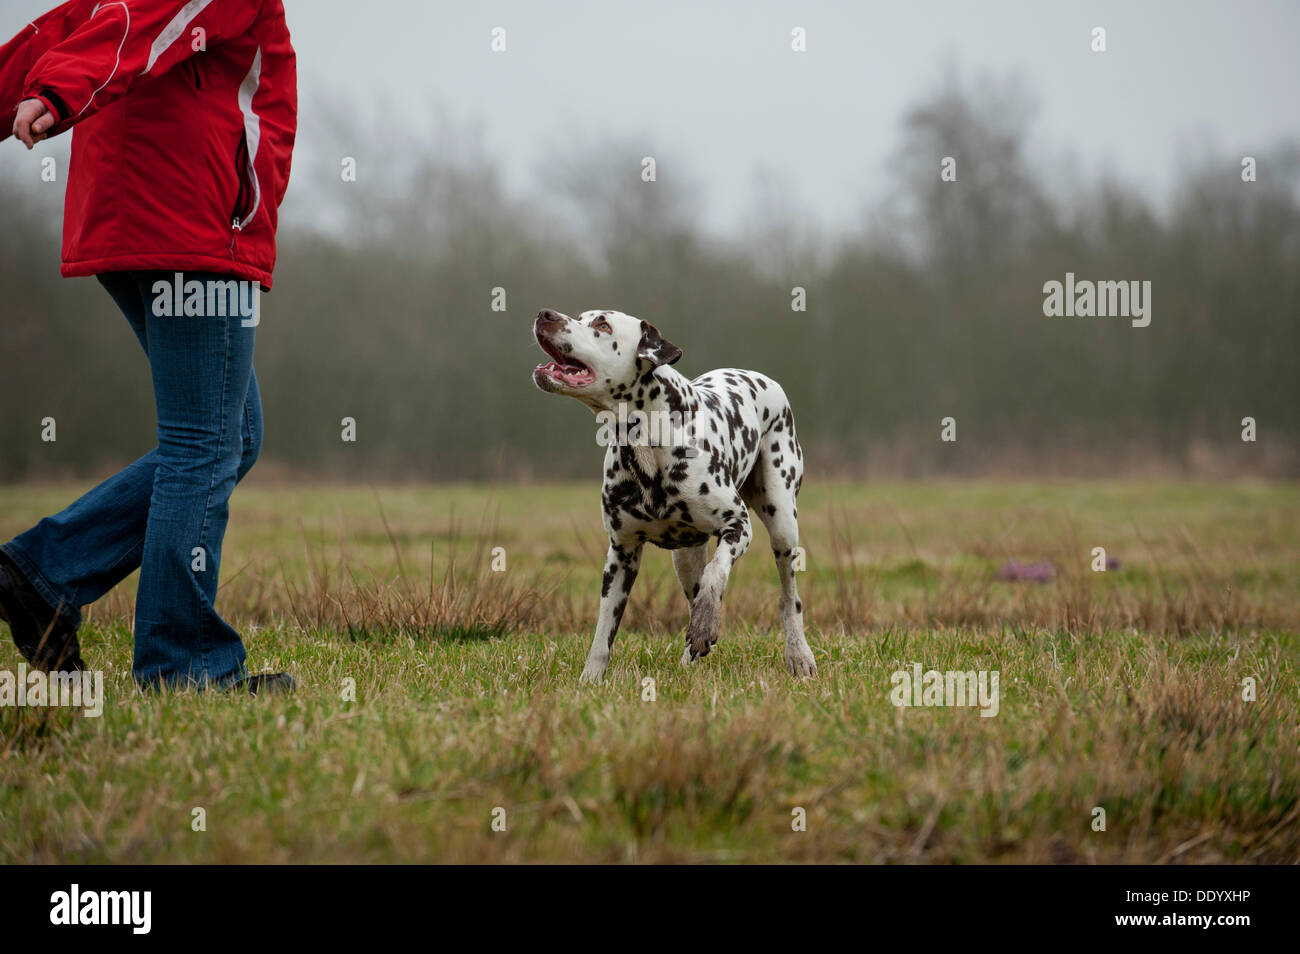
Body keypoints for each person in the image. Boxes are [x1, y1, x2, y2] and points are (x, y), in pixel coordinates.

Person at [0, 0, 297, 693]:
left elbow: (81, 22)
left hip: (140, 221)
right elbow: (143, 23)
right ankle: (182, 668)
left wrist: (40, 88)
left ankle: (44, 575)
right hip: (190, 223)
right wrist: (58, 92)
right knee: (205, 446)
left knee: (233, 433)